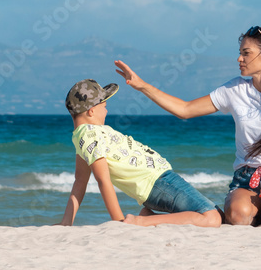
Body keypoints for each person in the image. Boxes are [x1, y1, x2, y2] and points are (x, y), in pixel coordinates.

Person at [114, 26, 261, 226]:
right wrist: (142, 86)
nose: (239, 59)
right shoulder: (234, 90)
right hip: (247, 178)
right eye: (240, 53)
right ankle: (260, 212)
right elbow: (185, 109)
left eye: (246, 53)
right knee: (237, 216)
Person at [57, 78, 221, 228]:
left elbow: (80, 180)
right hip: (159, 183)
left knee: (219, 214)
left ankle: (147, 216)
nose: (106, 112)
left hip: (159, 183)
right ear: (91, 111)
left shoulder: (83, 137)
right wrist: (119, 221)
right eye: (104, 107)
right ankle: (141, 221)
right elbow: (103, 180)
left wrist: (66, 222)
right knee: (212, 217)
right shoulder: (89, 135)